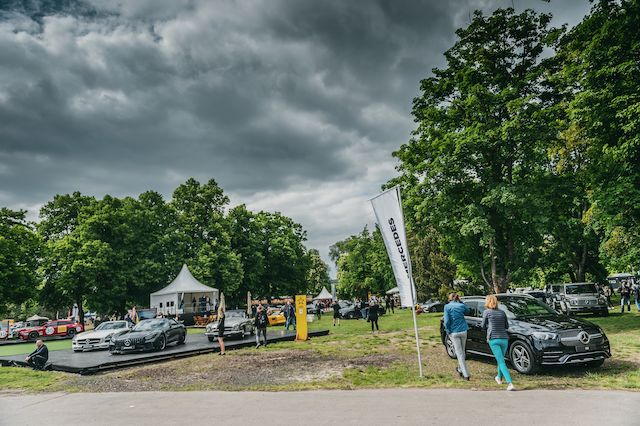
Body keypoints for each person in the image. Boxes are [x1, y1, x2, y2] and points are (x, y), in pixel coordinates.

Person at [481, 295, 514, 391]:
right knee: (501, 360)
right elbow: (507, 326)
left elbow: (483, 325)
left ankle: (510, 383)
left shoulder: (487, 312)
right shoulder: (502, 312)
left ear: (487, 302)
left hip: (493, 339)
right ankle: (499, 378)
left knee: (501, 362)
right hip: (504, 339)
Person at [443, 293, 470, 380]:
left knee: (459, 353)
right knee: (462, 351)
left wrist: (448, 330)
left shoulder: (447, 307)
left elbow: (447, 321)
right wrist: (461, 302)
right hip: (463, 330)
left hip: (454, 332)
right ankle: (460, 369)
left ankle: (466, 374)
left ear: (449, 299)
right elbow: (468, 311)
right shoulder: (461, 305)